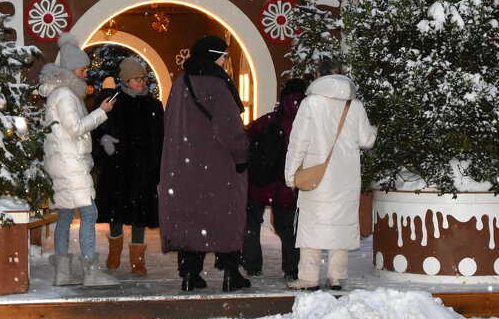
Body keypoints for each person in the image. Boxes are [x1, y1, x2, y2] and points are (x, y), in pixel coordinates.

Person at [159, 35, 251, 292]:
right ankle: (231, 273)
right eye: (224, 55)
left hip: (185, 166)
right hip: (218, 165)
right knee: (226, 216)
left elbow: (171, 121)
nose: (226, 60)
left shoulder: (181, 81)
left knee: (190, 219)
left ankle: (190, 275)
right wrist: (242, 156)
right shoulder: (217, 83)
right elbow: (229, 129)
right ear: (215, 56)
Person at [284, 63, 377, 291]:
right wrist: (374, 129)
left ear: (318, 77)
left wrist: (290, 175)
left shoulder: (311, 104)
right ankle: (336, 278)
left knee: (311, 226)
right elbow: (367, 141)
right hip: (346, 177)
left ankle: (308, 278)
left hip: (317, 175)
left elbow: (298, 142)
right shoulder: (354, 105)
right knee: (340, 225)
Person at [41, 33, 118, 288]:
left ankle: (62, 272)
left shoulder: (58, 93)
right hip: (70, 162)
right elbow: (75, 128)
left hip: (63, 162)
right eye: (82, 70)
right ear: (70, 70)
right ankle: (90, 272)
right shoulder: (64, 94)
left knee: (64, 215)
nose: (85, 75)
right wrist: (101, 112)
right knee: (89, 212)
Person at [93, 56, 164, 274]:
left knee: (140, 213)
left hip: (144, 168)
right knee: (116, 211)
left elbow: (161, 137)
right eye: (136, 78)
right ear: (125, 81)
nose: (141, 81)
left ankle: (137, 259)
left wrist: (159, 165)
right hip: (118, 167)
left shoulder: (154, 105)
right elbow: (97, 127)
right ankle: (114, 252)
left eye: (143, 77)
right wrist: (104, 141)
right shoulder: (114, 102)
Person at [242, 77, 308, 281]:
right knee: (288, 229)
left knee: (251, 223)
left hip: (260, 182)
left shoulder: (268, 120)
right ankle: (291, 269)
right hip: (289, 185)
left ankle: (253, 266)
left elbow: (246, 135)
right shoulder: (307, 123)